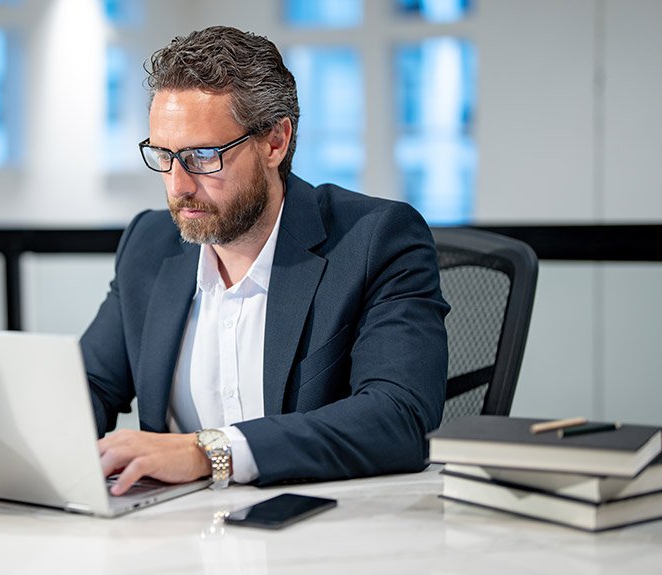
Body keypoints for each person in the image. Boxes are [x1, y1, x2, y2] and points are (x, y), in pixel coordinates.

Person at [82, 25, 449, 495]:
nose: (178, 185)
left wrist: (208, 453)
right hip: (170, 524)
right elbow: (90, 384)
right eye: (163, 155)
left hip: (322, 522)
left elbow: (400, 416)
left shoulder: (375, 240)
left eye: (202, 156)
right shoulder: (150, 246)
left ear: (275, 141)